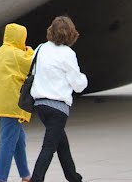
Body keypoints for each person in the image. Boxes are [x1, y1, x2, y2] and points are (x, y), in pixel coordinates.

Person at [29, 16, 88, 182]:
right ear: (70, 33)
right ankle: (36, 179)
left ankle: (73, 176)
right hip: (58, 108)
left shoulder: (40, 49)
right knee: (49, 147)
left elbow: (33, 73)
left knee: (61, 143)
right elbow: (78, 84)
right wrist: (84, 78)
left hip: (40, 105)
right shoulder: (68, 54)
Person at [0, 23, 35, 182]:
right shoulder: (16, 53)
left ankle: (26, 175)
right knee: (8, 143)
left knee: (19, 140)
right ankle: (1, 179)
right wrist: (29, 50)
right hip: (12, 105)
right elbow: (31, 64)